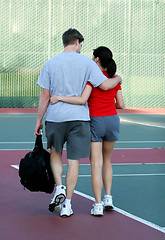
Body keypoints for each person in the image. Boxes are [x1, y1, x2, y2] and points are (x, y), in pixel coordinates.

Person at [34, 29, 122, 217]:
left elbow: (45, 95)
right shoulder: (87, 63)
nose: (81, 48)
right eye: (81, 44)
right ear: (76, 41)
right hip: (80, 119)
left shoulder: (50, 63)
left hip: (56, 117)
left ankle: (59, 187)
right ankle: (68, 204)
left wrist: (39, 120)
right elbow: (105, 86)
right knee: (74, 161)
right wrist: (119, 78)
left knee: (55, 154)